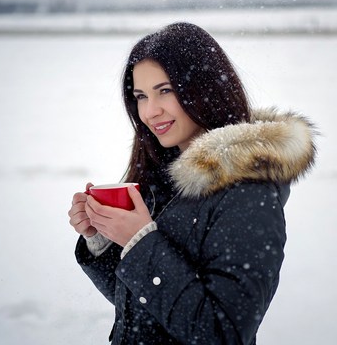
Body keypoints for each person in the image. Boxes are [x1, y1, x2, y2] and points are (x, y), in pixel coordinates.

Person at [68, 22, 316, 344]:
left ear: (205, 87)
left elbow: (222, 332)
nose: (149, 111)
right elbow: (143, 308)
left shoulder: (247, 196)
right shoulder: (163, 176)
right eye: (141, 96)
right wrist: (105, 238)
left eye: (165, 91)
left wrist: (140, 242)